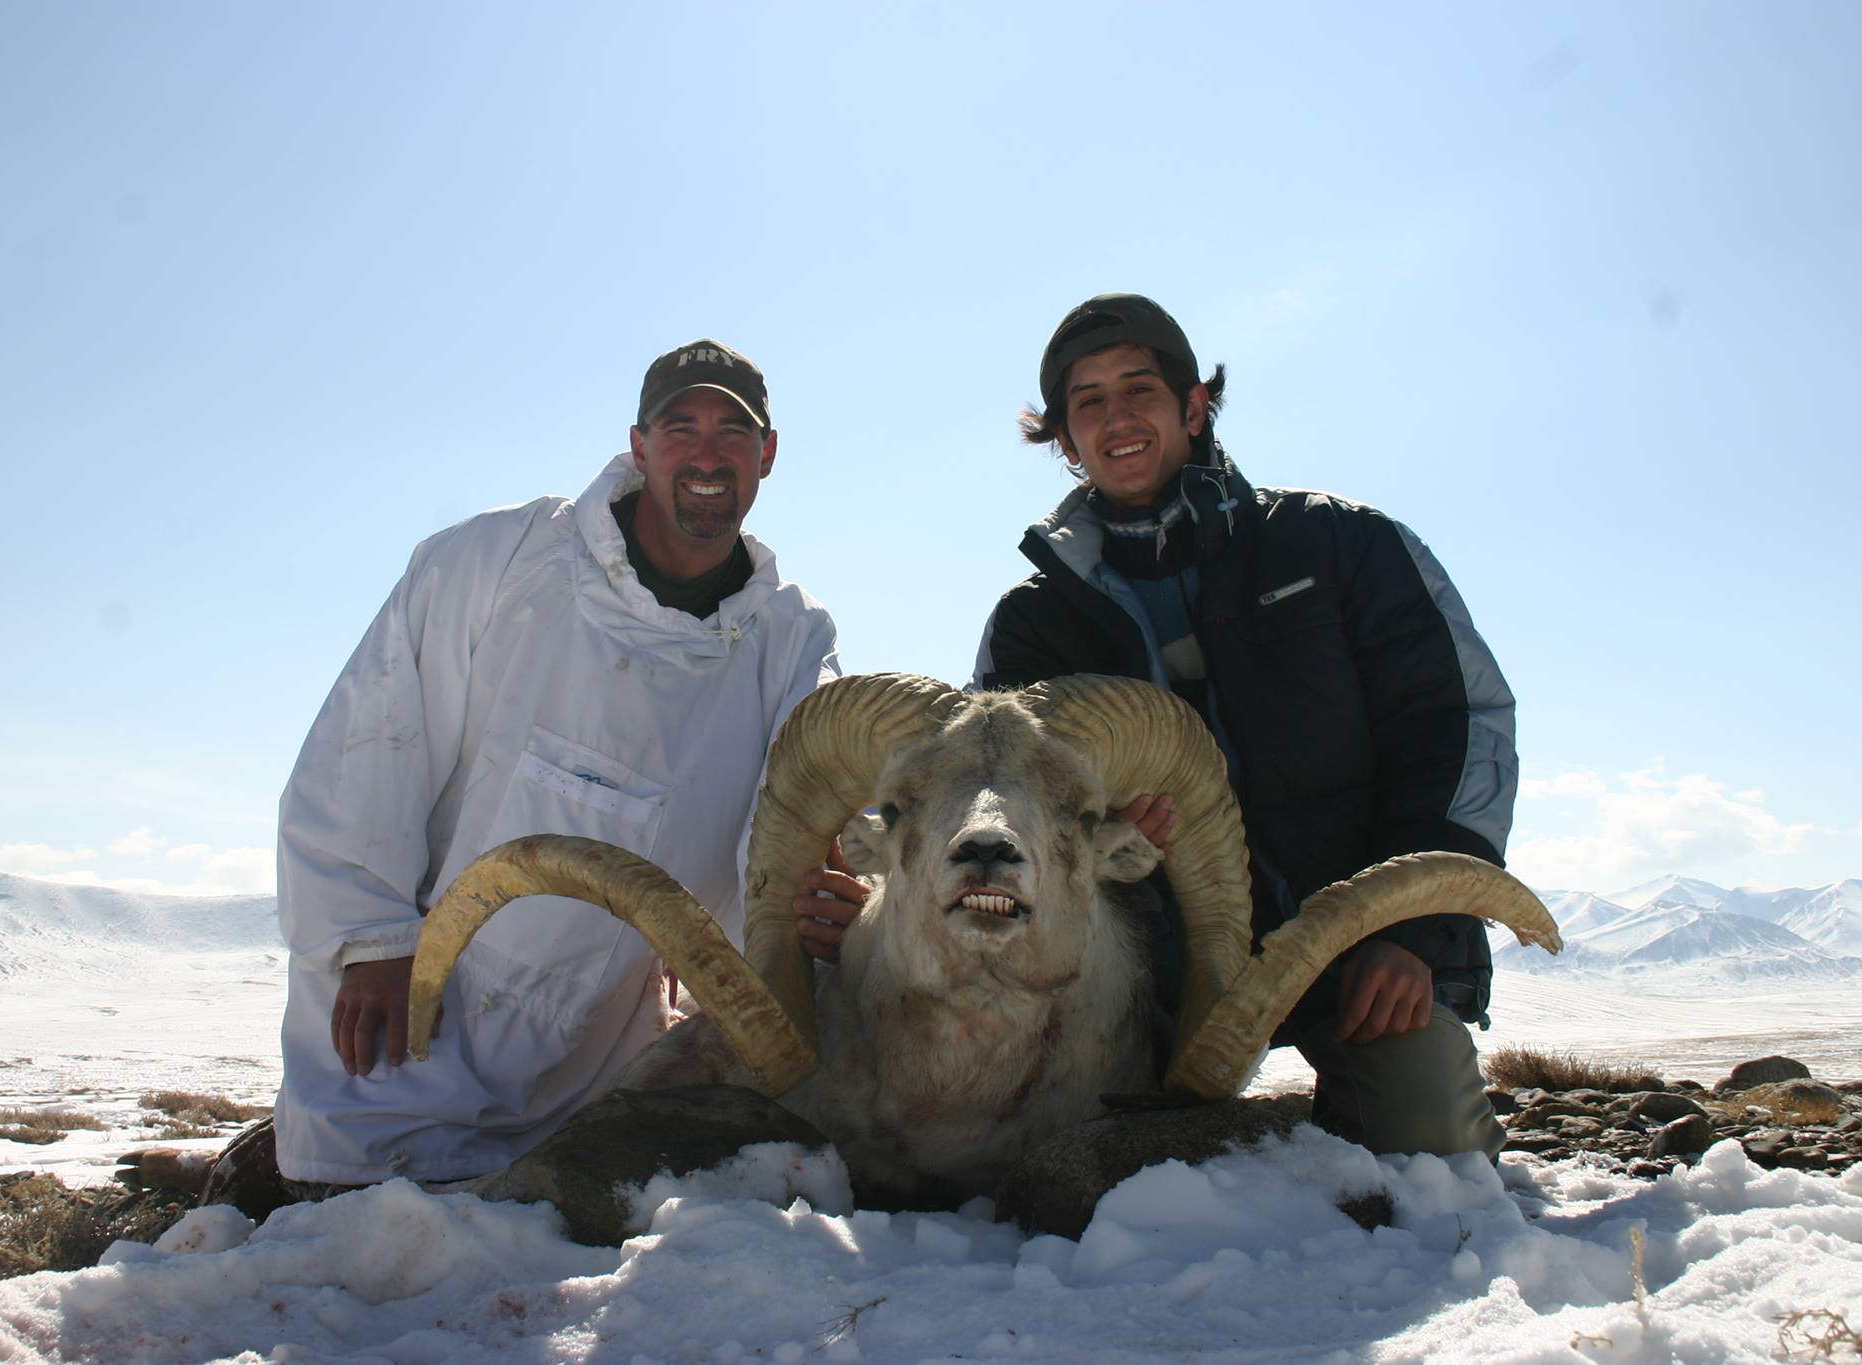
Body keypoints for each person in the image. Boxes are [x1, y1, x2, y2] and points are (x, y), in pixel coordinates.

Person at [274, 339, 842, 1187]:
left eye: (733, 430)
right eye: (679, 427)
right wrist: (368, 935)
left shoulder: (789, 639)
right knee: (362, 1253)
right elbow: (373, 737)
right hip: (406, 1025)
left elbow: (806, 800)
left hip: (598, 1061)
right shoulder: (494, 561)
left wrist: (821, 909)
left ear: (767, 452)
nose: (707, 452)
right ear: (639, 445)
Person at [970, 293, 1518, 1158]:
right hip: (1144, 971)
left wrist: (1418, 931)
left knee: (1434, 1152)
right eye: (1089, 402)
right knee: (1060, 1159)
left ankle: (1367, 1104)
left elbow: (1457, 726)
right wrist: (1103, 830)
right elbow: (1003, 802)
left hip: (1353, 949)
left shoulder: (1344, 547)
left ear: (1194, 405)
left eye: (1140, 389)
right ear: (1066, 442)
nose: (1118, 418)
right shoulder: (1034, 625)